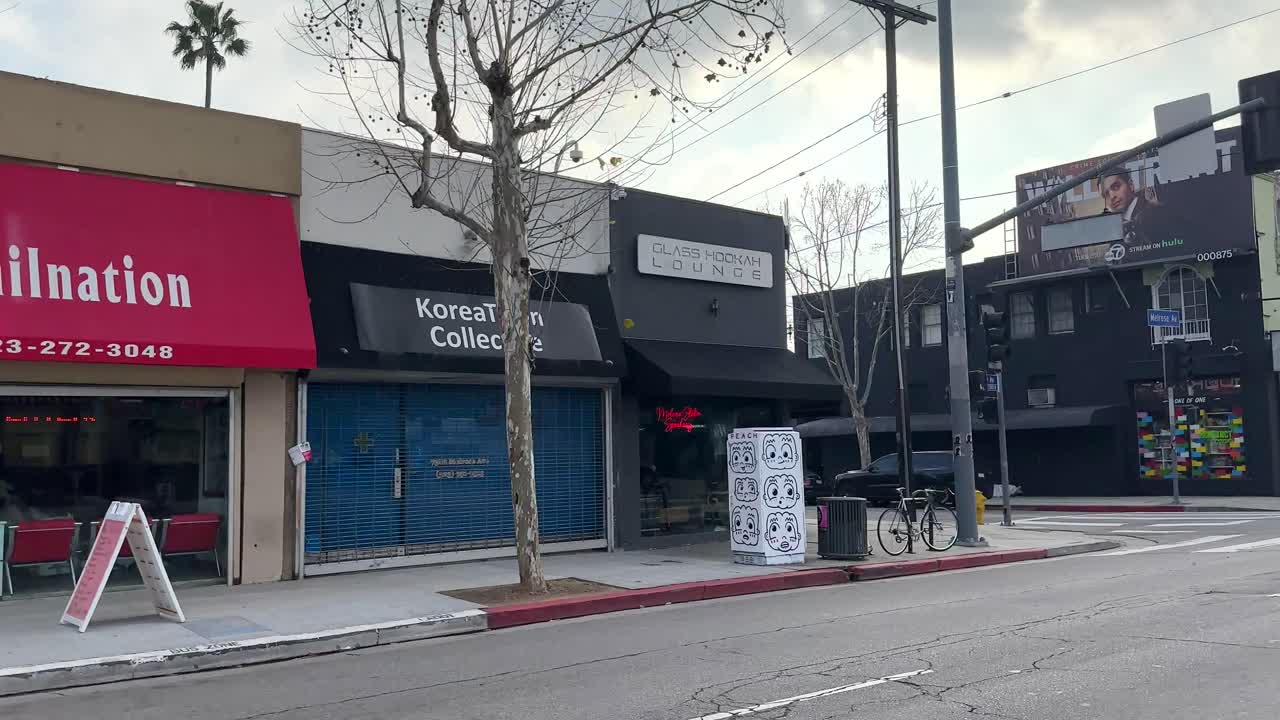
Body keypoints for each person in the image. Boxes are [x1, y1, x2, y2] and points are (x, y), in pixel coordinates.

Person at [1099, 170, 1170, 246]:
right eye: (1106, 194)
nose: (1112, 197)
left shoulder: (1155, 211)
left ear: (1131, 185)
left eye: (1116, 187)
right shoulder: (1115, 231)